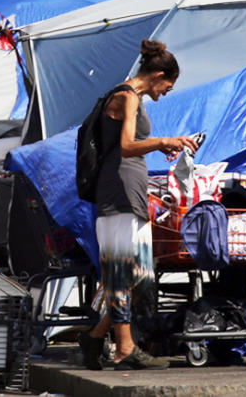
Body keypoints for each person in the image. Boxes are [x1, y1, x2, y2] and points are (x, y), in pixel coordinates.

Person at [79, 39, 198, 371]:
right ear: (158, 74)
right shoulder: (126, 97)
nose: (166, 93)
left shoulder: (133, 99)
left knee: (141, 276)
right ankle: (124, 349)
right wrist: (163, 141)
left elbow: (129, 147)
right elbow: (128, 145)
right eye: (168, 86)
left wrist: (159, 148)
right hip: (116, 193)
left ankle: (94, 336)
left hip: (131, 194)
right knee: (120, 273)